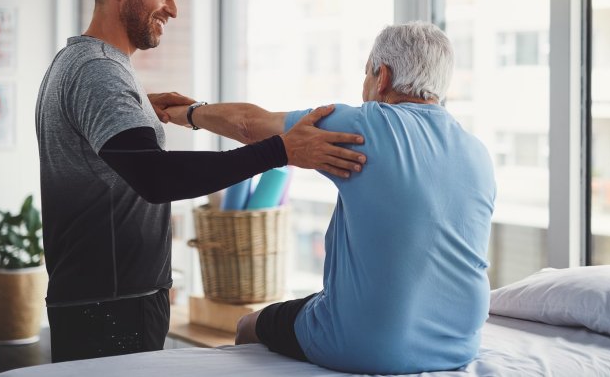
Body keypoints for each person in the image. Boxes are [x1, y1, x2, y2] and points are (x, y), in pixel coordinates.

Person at [35, 0, 367, 363]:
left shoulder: (77, 62)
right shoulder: (98, 70)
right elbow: (157, 179)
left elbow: (116, 160)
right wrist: (280, 150)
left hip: (100, 295)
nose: (173, 10)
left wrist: (157, 113)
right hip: (114, 302)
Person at [158, 22, 496, 374]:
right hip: (460, 344)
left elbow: (249, 124)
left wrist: (187, 112)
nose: (364, 85)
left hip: (366, 344)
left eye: (367, 73)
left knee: (247, 325)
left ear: (383, 76)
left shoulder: (363, 126)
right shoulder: (477, 153)